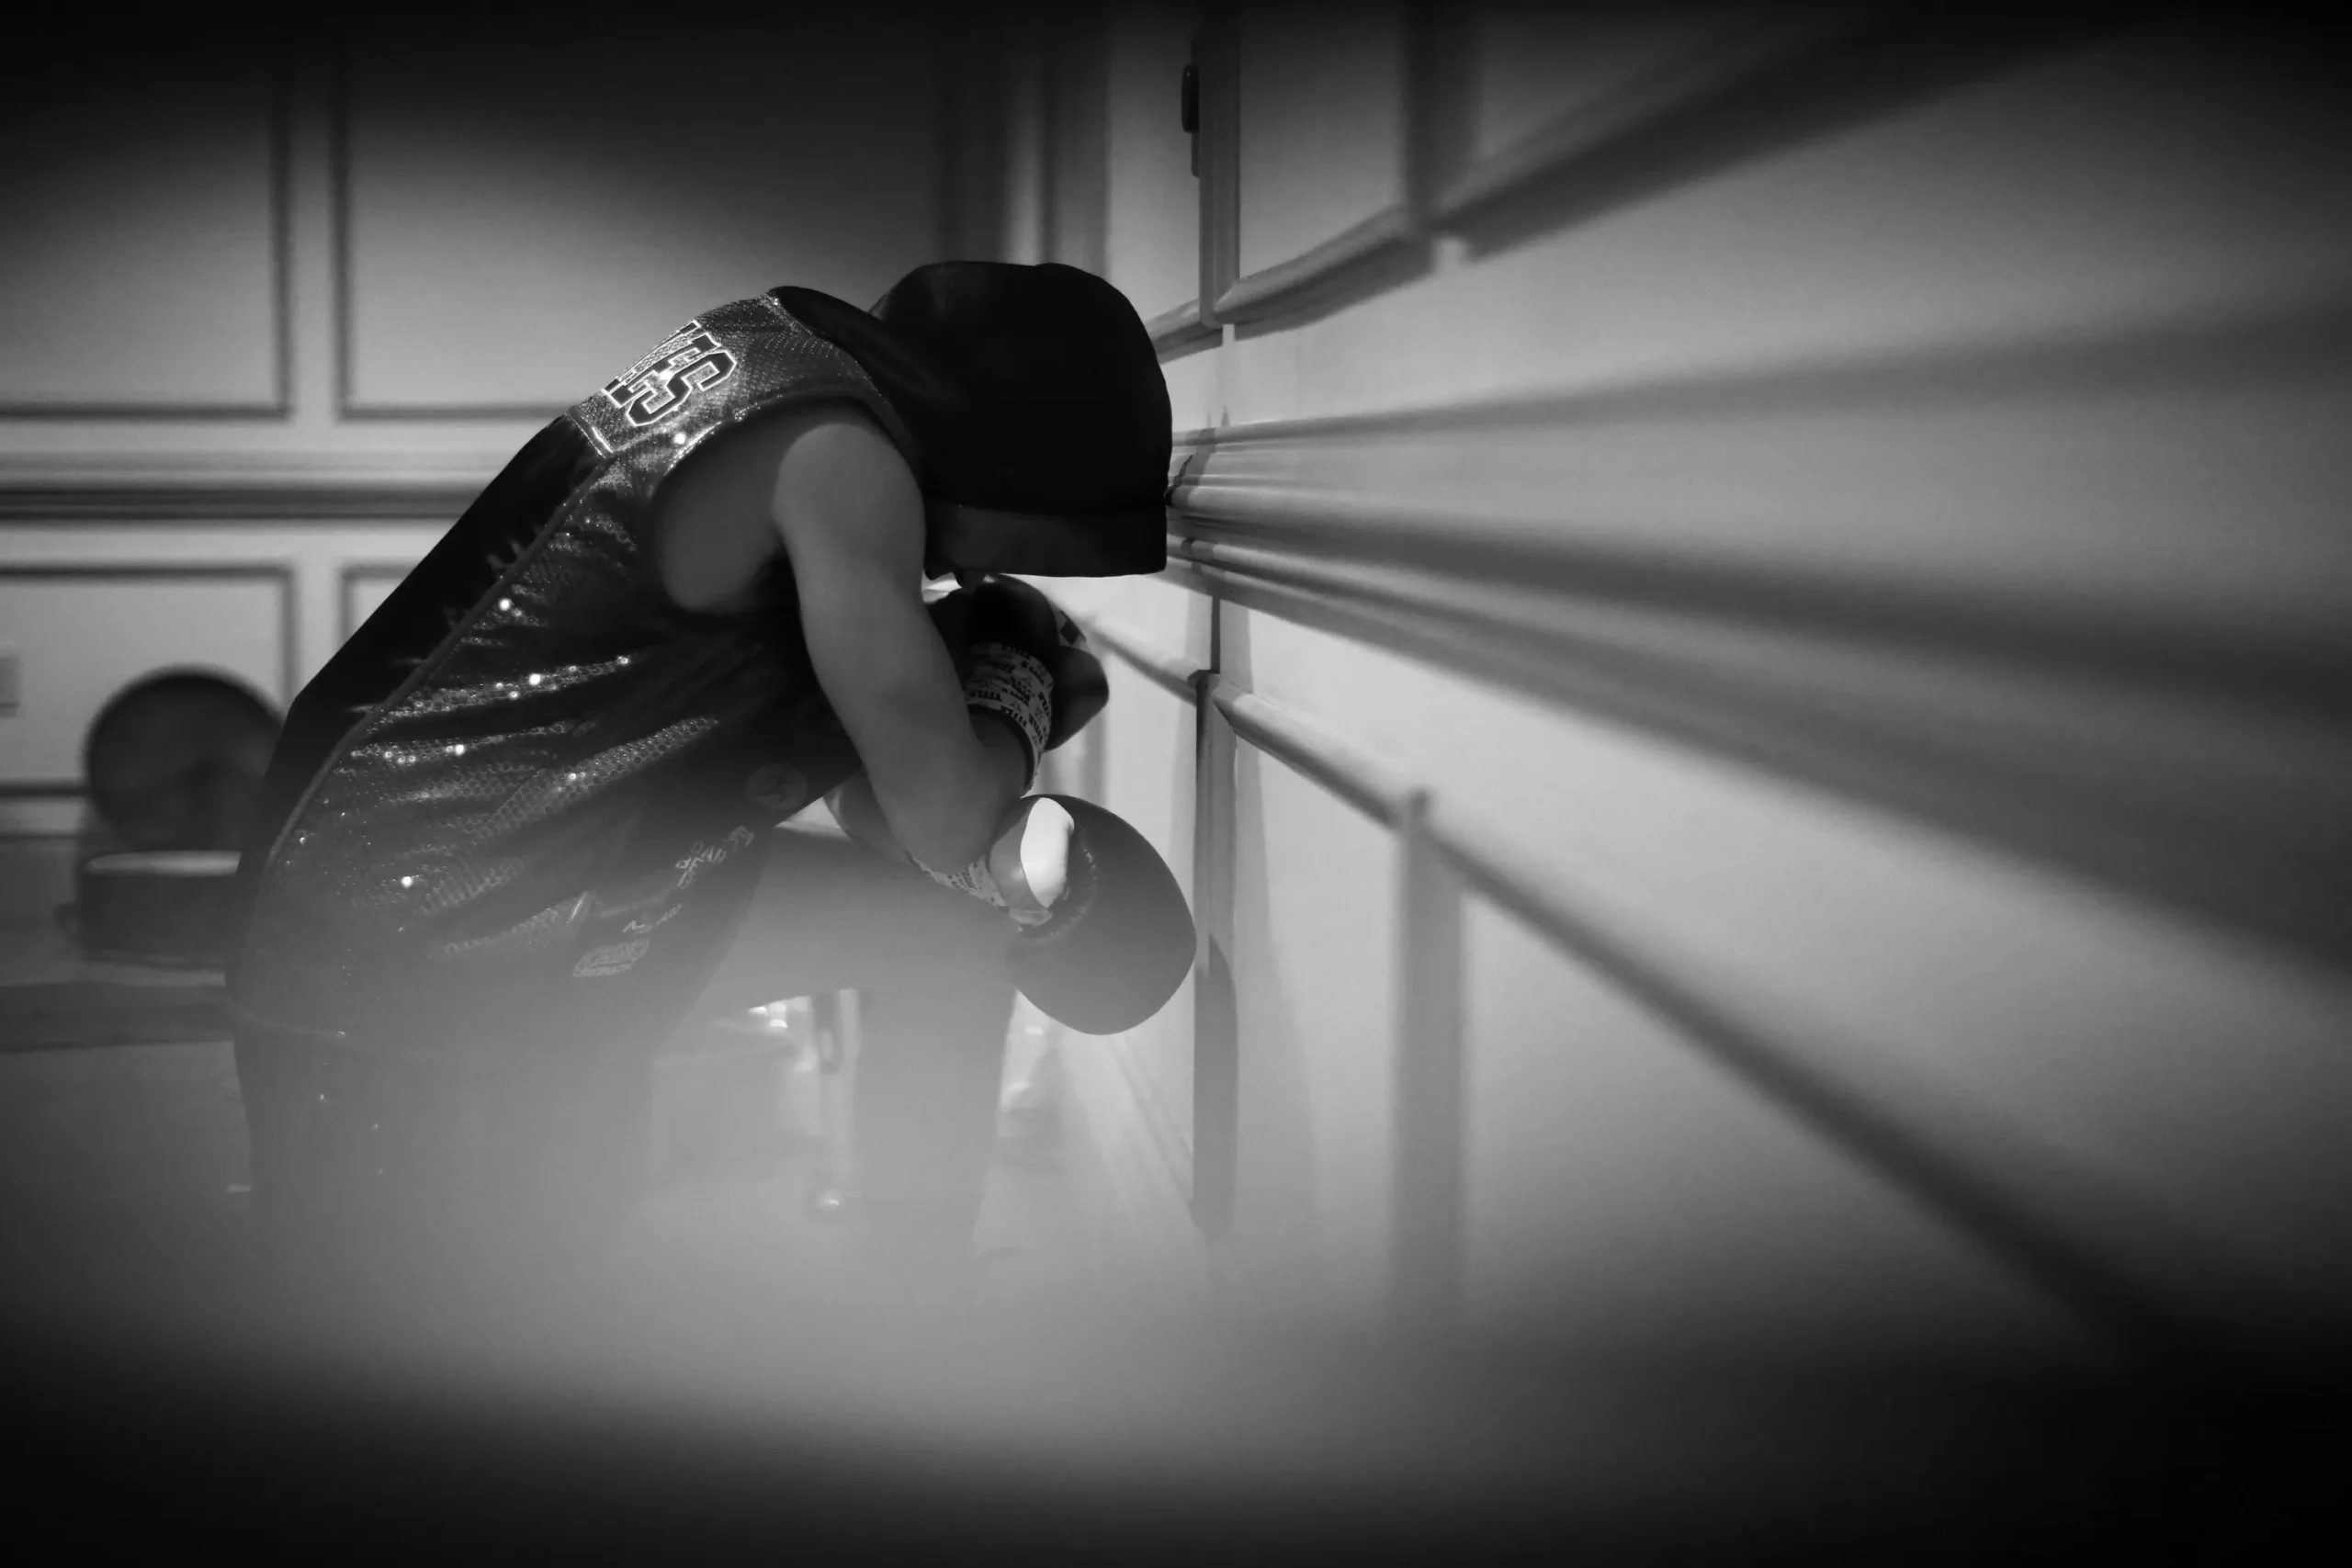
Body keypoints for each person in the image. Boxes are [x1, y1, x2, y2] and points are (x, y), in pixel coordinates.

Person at [223, 261, 1192, 1314]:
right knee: (416, 1331)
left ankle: (914, 1321)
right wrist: (1019, 680)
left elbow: (883, 810)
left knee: (953, 934)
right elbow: (946, 821)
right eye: (1019, 539)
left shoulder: (779, 370)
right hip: (440, 920)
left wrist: (981, 706)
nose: (968, 573)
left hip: (479, 870)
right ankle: (912, 1319)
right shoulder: (841, 459)